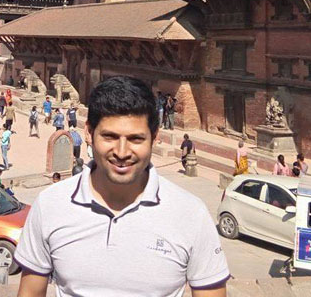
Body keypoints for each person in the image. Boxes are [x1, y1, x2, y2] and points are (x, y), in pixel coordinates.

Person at [15, 76, 229, 297]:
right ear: (88, 133)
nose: (122, 152)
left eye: (136, 139)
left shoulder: (190, 213)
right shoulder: (51, 205)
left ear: (154, 138)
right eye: (109, 136)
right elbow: (30, 291)